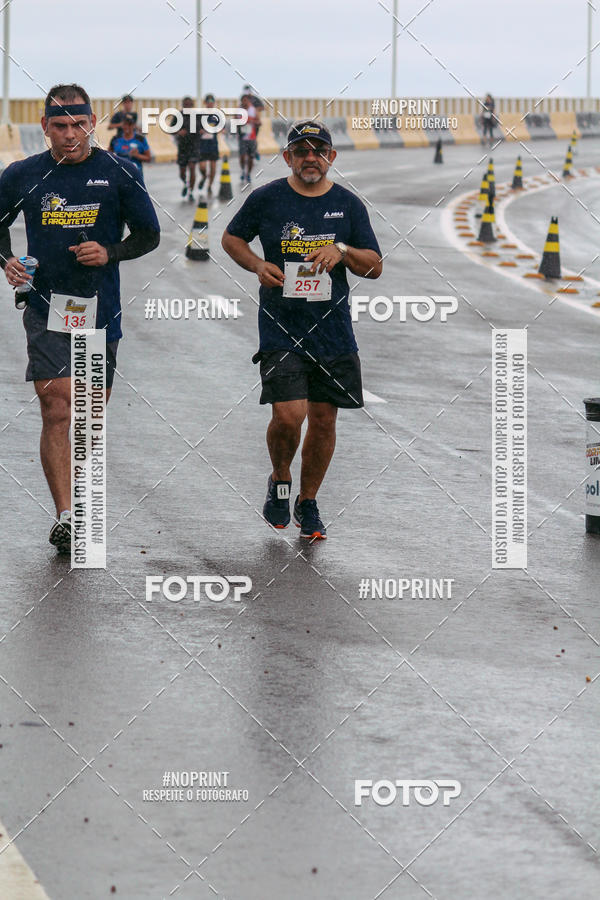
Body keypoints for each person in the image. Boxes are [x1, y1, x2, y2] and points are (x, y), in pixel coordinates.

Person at [0, 83, 160, 553]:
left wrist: (109, 251)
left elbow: (148, 235)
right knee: (57, 405)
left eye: (79, 125)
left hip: (98, 307)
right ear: (45, 128)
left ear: (93, 123)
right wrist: (7, 260)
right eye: (60, 126)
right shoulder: (22, 174)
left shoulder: (119, 171)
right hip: (45, 306)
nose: (70, 135)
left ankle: (83, 502)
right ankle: (67, 516)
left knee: (90, 414)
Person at [222, 119, 382, 540]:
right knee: (289, 415)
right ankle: (279, 479)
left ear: (331, 157)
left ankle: (307, 502)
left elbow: (375, 266)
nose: (310, 157)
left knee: (325, 421)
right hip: (281, 325)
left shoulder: (348, 205)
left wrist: (342, 250)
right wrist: (257, 264)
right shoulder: (267, 199)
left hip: (333, 331)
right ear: (288, 156)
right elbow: (231, 239)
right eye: (301, 150)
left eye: (318, 150)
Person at [109, 112, 151, 177]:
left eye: (130, 124)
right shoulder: (115, 139)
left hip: (135, 177)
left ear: (134, 125)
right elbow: (108, 156)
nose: (127, 127)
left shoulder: (140, 139)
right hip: (118, 176)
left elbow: (148, 158)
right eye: (125, 124)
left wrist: (137, 155)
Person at [174, 96, 199, 200]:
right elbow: (171, 129)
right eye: (186, 105)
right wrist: (179, 132)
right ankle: (185, 184)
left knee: (192, 168)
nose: (187, 106)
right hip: (182, 147)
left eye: (189, 105)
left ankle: (191, 191)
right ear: (183, 105)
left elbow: (204, 128)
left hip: (194, 147)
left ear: (192, 106)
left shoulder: (197, 116)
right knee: (182, 172)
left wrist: (201, 131)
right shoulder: (178, 116)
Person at [197, 93, 220, 195]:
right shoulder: (200, 115)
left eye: (212, 102)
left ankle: (210, 185)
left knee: (213, 166)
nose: (210, 104)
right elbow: (195, 128)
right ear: (205, 103)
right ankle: (204, 176)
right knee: (202, 167)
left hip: (213, 144)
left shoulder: (217, 115)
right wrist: (200, 131)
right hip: (202, 145)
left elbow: (222, 127)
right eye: (208, 102)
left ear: (214, 103)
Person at [238, 94, 259, 184]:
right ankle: (243, 170)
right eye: (243, 101)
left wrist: (251, 121)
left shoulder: (253, 110)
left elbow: (259, 122)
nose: (244, 102)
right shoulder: (239, 111)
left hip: (251, 137)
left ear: (249, 101)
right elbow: (233, 122)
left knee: (251, 157)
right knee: (242, 156)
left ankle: (248, 173)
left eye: (246, 100)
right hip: (242, 137)